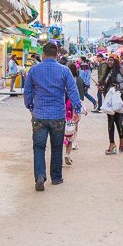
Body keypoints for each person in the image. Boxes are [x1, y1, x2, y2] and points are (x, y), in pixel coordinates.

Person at [24, 43, 81, 191]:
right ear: (57, 54)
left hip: (39, 115)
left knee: (38, 147)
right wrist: (77, 109)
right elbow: (73, 91)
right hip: (58, 116)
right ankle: (56, 177)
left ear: (43, 54)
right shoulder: (64, 70)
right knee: (56, 147)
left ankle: (40, 176)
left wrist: (30, 107)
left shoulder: (34, 70)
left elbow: (28, 92)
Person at [102, 56, 123, 155]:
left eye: (111, 60)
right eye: (108, 60)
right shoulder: (108, 71)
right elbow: (106, 84)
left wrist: (119, 86)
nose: (109, 62)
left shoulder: (122, 70)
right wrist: (102, 88)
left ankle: (122, 141)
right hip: (109, 100)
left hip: (119, 99)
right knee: (110, 121)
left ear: (116, 61)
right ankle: (112, 144)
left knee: (118, 121)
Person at [65, 62, 84, 166]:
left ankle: (62, 153)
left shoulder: (64, 79)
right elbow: (79, 94)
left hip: (63, 109)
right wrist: (78, 109)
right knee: (72, 128)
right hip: (73, 108)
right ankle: (68, 153)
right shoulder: (78, 79)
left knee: (62, 131)